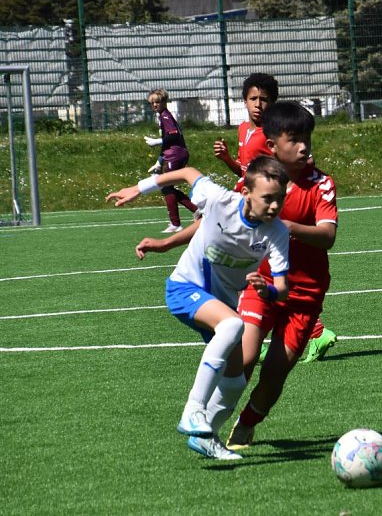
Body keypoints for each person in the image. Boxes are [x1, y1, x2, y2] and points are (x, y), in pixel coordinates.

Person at [135, 101, 338, 451]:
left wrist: (284, 226)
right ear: (273, 145)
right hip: (259, 284)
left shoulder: (321, 185)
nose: (305, 147)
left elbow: (328, 235)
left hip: (303, 293)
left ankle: (246, 423)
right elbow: (213, 220)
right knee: (241, 360)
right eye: (295, 139)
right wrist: (167, 243)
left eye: (308, 138)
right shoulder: (256, 182)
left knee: (275, 372)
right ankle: (205, 429)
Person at [107, 155, 293, 460]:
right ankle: (193, 410)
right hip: (184, 289)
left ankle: (206, 438)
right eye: (267, 198)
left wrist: (268, 290)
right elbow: (187, 172)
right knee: (233, 325)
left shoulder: (277, 233)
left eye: (280, 199)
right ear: (246, 193)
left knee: (235, 383)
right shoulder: (219, 199)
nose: (274, 206)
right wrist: (139, 188)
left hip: (220, 305)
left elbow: (282, 290)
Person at [212, 73, 337, 363]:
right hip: (257, 207)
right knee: (258, 281)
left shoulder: (271, 137)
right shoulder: (244, 130)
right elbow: (247, 173)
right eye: (253, 99)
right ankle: (258, 342)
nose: (258, 105)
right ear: (244, 101)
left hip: (271, 214)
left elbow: (270, 174)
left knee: (267, 277)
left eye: (264, 99)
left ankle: (314, 332)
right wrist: (228, 163)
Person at [143, 89, 197, 233]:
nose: (154, 105)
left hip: (176, 155)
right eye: (152, 103)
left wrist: (156, 141)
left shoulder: (165, 116)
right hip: (172, 155)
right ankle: (195, 211)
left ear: (164, 102)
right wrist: (159, 161)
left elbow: (173, 136)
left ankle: (176, 223)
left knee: (166, 187)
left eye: (157, 102)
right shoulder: (162, 116)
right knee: (167, 187)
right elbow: (168, 143)